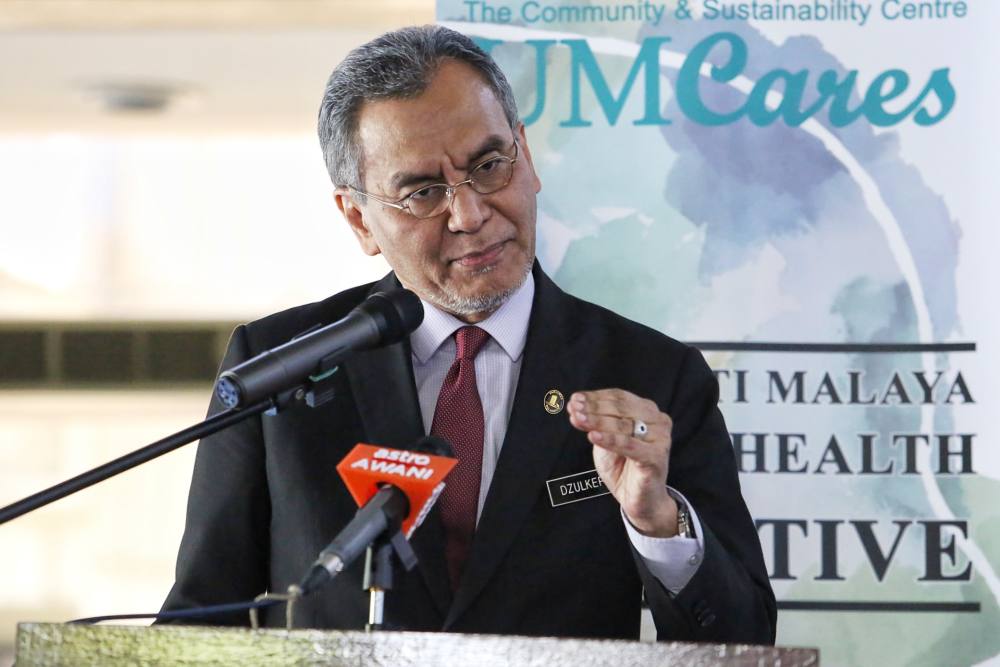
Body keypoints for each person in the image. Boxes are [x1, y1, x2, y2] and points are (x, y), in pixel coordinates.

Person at [162, 25, 776, 643]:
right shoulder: (278, 367)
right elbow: (195, 624)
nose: (471, 214)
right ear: (359, 219)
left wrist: (658, 522)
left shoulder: (652, 378)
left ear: (525, 156)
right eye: (423, 192)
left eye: (487, 166)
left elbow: (746, 640)